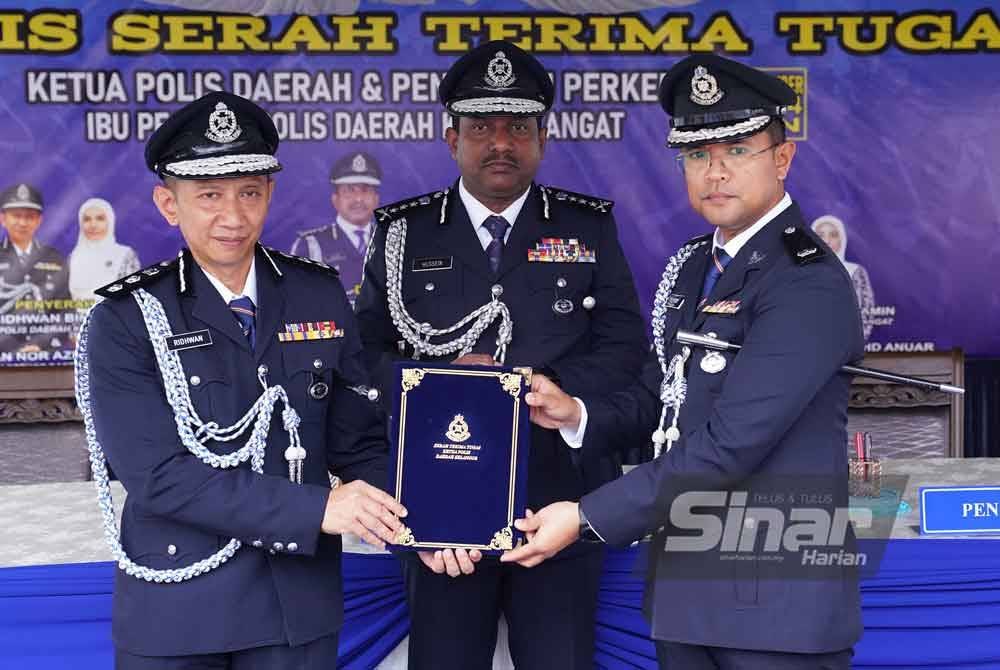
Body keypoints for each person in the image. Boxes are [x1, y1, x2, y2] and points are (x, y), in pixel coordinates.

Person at [503, 55, 864, 669]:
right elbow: (660, 398)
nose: (715, 171)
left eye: (738, 150)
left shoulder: (806, 282)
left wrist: (588, 516)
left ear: (782, 158)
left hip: (776, 606)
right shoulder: (697, 264)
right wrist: (575, 414)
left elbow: (732, 442)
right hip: (686, 593)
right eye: (698, 155)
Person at [78, 91, 406, 669]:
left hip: (295, 608)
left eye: (249, 193)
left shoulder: (316, 292)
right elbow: (159, 477)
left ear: (269, 195)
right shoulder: (125, 318)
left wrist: (419, 524)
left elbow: (359, 442)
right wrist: (318, 510)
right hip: (180, 610)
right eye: (209, 195)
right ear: (168, 203)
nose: (233, 216)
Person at [355, 40, 647, 670]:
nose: (500, 143)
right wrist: (436, 385)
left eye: (518, 127)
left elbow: (626, 348)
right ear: (450, 137)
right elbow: (364, 353)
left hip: (560, 502)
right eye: (481, 127)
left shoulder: (588, 227)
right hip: (438, 500)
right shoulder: (401, 231)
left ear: (543, 138)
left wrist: (547, 390)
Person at [291, 151, 381, 305]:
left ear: (376, 199)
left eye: (365, 190)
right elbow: (298, 302)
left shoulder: (390, 239)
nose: (358, 199)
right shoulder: (311, 245)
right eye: (350, 190)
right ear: (335, 199)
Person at [0, 183, 71, 353]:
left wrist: (40, 344)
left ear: (39, 221)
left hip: (45, 355)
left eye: (30, 217)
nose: (23, 222)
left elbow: (66, 310)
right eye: (16, 216)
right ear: (3, 219)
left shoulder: (55, 259)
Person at [812, 214, 875, 340]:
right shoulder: (802, 271)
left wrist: (855, 344)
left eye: (833, 235)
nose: (827, 241)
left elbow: (865, 314)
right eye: (820, 235)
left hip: (847, 345)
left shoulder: (855, 272)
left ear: (842, 239)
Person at [69, 197, 140, 302]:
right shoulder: (73, 257)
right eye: (87, 219)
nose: (93, 225)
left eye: (100, 218)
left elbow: (133, 295)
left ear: (110, 221)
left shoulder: (124, 255)